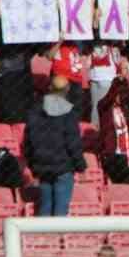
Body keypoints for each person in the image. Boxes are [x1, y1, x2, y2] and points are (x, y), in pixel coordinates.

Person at [24, 74, 84, 216]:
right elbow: (73, 142)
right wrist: (80, 165)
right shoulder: (69, 113)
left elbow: (28, 142)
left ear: (50, 88)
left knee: (45, 208)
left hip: (43, 167)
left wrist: (33, 166)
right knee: (60, 212)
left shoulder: (35, 111)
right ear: (67, 89)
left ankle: (43, 237)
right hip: (63, 168)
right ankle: (56, 237)